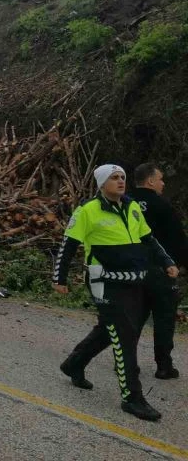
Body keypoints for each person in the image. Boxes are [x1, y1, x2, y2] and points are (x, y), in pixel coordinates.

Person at [53, 164, 178, 421]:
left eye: (122, 176)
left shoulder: (132, 207)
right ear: (101, 183)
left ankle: (74, 363)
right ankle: (133, 398)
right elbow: (68, 244)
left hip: (132, 281)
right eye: (114, 178)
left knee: (108, 329)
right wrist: (59, 278)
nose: (120, 181)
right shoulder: (87, 210)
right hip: (103, 281)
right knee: (124, 334)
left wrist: (167, 261)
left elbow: (148, 239)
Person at [130, 163, 187, 378]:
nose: (163, 183)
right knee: (164, 319)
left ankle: (125, 361)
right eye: (161, 179)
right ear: (150, 181)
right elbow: (178, 240)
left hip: (132, 271)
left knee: (134, 317)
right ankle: (164, 366)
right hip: (161, 271)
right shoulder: (162, 205)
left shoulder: (124, 202)